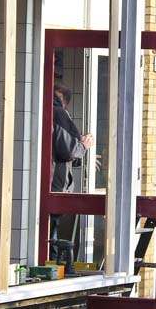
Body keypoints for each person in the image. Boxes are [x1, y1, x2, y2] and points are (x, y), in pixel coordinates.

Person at [50, 84, 94, 259]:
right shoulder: (58, 114)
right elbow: (68, 150)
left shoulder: (46, 111)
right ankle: (54, 264)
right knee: (53, 233)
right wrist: (83, 145)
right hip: (56, 184)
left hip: (53, 181)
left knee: (51, 231)